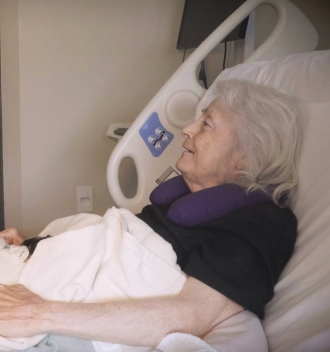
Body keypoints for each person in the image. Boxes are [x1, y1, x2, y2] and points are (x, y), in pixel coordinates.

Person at [0, 79, 303, 349]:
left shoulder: (262, 222)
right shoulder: (186, 200)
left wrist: (36, 312)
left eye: (207, 124)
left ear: (244, 157)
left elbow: (191, 314)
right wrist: (38, 246)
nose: (187, 128)